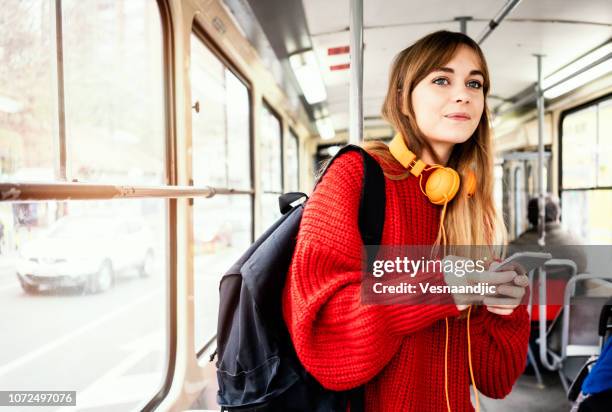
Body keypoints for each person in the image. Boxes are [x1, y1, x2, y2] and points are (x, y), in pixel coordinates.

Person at [282, 31, 530, 411]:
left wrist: (507, 310)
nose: (463, 93)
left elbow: (494, 380)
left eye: (474, 83)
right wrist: (438, 288)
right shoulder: (356, 177)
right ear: (403, 97)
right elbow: (323, 339)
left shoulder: (467, 203)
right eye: (441, 80)